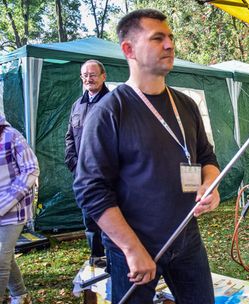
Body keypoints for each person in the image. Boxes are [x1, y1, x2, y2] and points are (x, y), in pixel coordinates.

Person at [73, 9, 220, 304]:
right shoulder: (109, 112)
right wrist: (131, 249)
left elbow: (206, 156)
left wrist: (210, 183)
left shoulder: (186, 105)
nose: (169, 45)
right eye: (157, 38)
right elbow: (90, 190)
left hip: (186, 237)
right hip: (134, 245)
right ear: (129, 49)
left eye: (170, 38)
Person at [65, 59, 109, 268]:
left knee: (111, 214)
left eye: (93, 74)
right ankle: (97, 255)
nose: (89, 78)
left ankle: (115, 255)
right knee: (89, 217)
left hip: (107, 173)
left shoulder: (112, 102)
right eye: (85, 75)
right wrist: (73, 162)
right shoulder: (77, 104)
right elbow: (69, 137)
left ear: (103, 76)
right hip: (82, 174)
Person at [0, 114, 39, 304]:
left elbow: (31, 169)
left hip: (14, 210)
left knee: (0, 258)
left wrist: (6, 202)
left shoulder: (12, 136)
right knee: (4, 255)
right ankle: (21, 295)